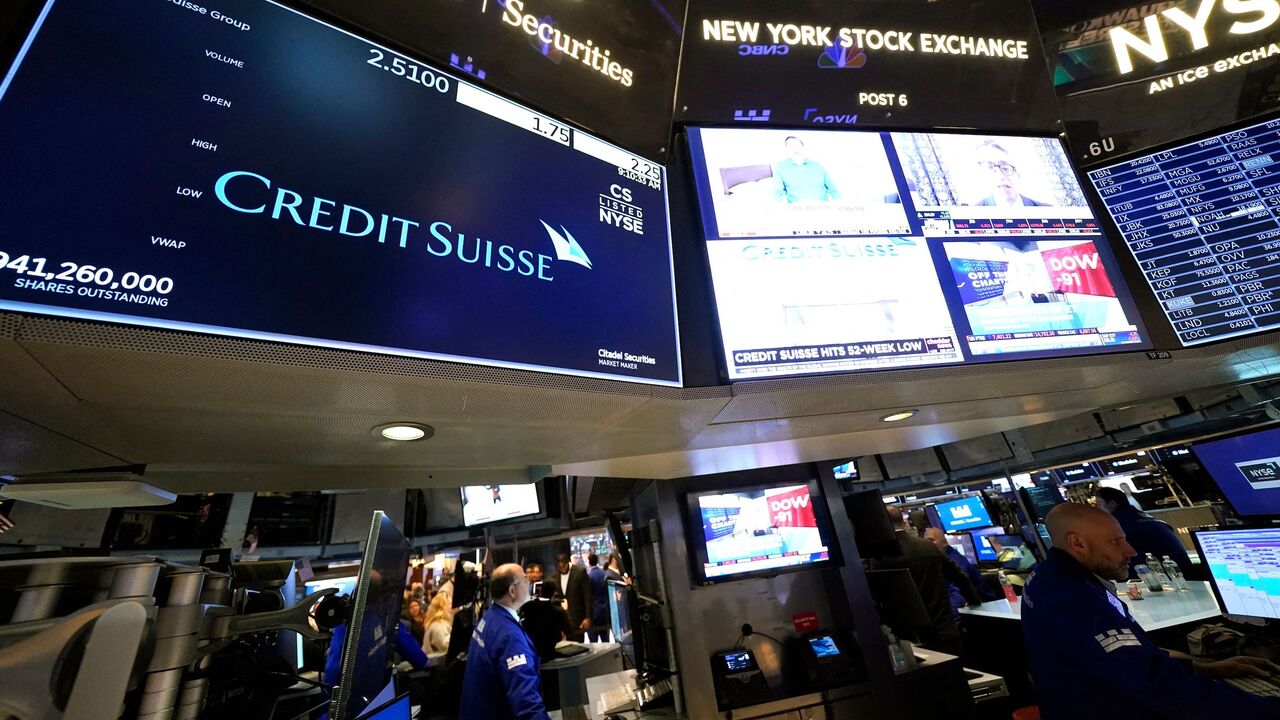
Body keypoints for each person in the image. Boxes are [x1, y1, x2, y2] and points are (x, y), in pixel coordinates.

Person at [1022, 504, 1280, 719]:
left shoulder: (1050, 576)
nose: (1131, 551)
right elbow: (1162, 689)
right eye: (1116, 542)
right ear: (1077, 543)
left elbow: (1136, 662)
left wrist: (1204, 669)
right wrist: (1267, 708)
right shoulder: (1075, 600)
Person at [877, 508, 982, 655]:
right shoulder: (928, 546)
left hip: (908, 639)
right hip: (945, 631)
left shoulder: (879, 556)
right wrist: (975, 605)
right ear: (904, 521)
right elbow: (961, 579)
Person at [459, 564, 551, 720]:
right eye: (525, 579)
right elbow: (526, 702)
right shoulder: (509, 637)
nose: (529, 583)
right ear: (512, 591)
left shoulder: (489, 619)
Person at [1094, 486, 1192, 576]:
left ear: (1112, 503)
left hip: (1166, 575)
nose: (1097, 509)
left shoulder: (1118, 525)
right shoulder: (1142, 516)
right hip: (1185, 570)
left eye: (1099, 504)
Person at [923, 527, 998, 608]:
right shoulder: (940, 558)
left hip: (985, 607)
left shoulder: (955, 562)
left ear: (944, 543)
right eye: (924, 542)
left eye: (931, 541)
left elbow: (957, 596)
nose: (926, 545)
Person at [973, 140, 1048, 207]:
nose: (1000, 176)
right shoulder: (972, 214)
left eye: (1005, 168)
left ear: (1018, 174)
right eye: (990, 167)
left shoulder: (1047, 210)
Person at [774, 136, 840, 204]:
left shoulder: (817, 166)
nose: (795, 148)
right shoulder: (781, 167)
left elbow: (833, 189)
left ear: (803, 147)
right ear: (786, 149)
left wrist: (842, 206)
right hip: (797, 211)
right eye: (790, 146)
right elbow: (778, 192)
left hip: (822, 209)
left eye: (797, 145)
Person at [548, 552, 592, 641]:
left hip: (578, 619)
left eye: (563, 566)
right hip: (561, 620)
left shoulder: (580, 572)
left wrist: (588, 617)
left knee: (579, 648)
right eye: (559, 567)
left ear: (568, 562)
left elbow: (587, 596)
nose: (562, 568)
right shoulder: (554, 575)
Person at [586, 553, 609, 642]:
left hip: (593, 612)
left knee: (593, 642)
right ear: (597, 561)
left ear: (589, 562)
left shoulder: (588, 576)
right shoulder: (605, 574)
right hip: (605, 611)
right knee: (606, 641)